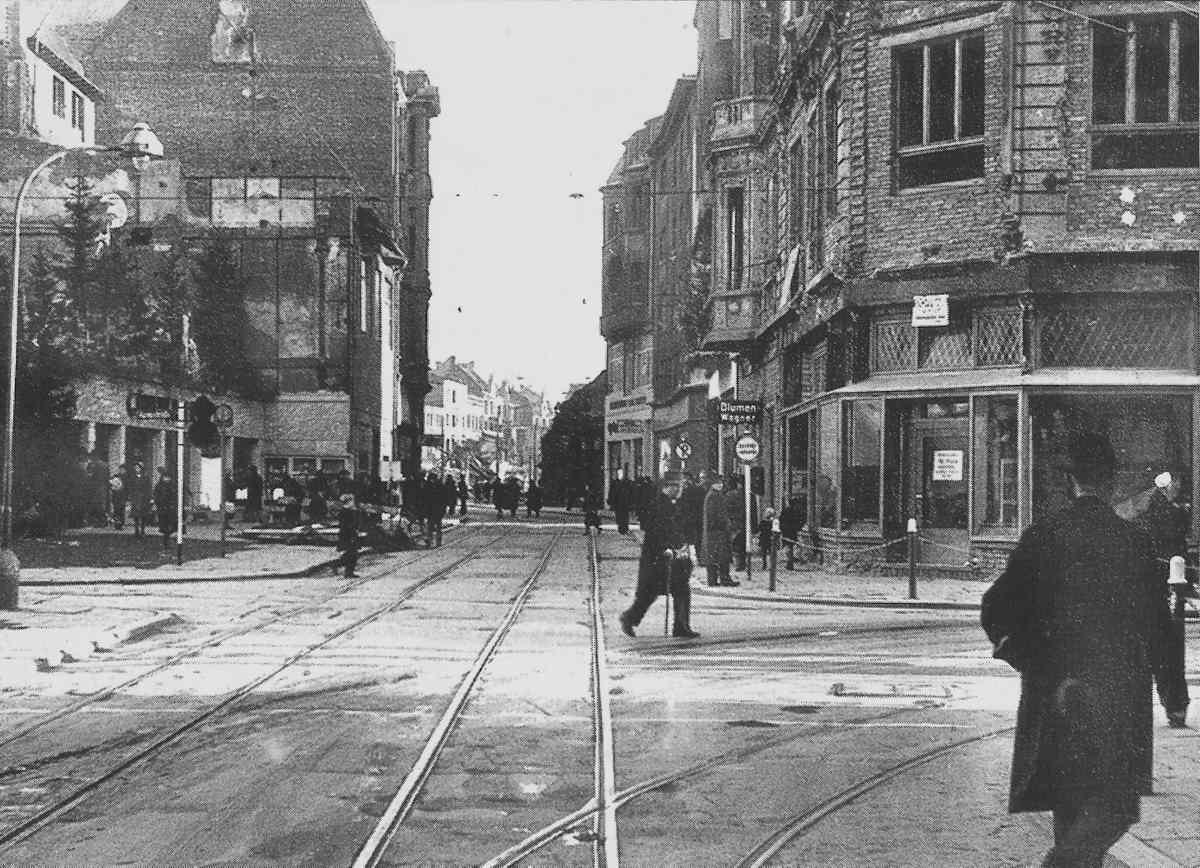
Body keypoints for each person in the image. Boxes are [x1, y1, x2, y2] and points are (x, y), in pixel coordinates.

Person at [981, 431, 1170, 867]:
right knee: (1116, 804)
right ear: (1109, 483)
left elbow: (996, 610)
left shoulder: (1043, 536)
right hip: (1118, 695)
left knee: (1071, 806)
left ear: (1073, 482)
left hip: (1057, 694)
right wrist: (1173, 697)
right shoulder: (1134, 543)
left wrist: (1036, 666)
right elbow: (1160, 629)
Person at [618, 472, 698, 639]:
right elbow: (655, 531)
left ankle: (681, 626)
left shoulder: (672, 504)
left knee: (680, 589)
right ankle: (629, 618)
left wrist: (683, 545)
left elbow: (678, 528)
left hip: (672, 557)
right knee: (650, 592)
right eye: (677, 486)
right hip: (658, 557)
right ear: (669, 487)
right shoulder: (659, 505)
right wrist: (665, 548)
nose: (680, 490)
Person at [1145, 470, 1192, 728]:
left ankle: (1174, 704)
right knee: (1168, 646)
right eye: (1177, 484)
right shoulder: (1165, 511)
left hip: (1164, 581)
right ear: (1166, 487)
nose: (1180, 488)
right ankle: (1175, 705)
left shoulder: (1158, 508)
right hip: (1165, 581)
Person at [702, 475, 737, 587]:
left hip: (714, 531)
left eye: (721, 483)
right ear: (713, 484)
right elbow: (715, 515)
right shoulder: (714, 496)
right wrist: (724, 524)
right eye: (718, 483)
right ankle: (723, 579)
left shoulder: (713, 495)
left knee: (715, 556)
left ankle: (714, 580)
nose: (721, 485)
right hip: (717, 532)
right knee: (721, 556)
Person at [335, 493, 361, 578]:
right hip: (348, 535)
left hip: (350, 534)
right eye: (352, 501)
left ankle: (348, 571)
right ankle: (346, 570)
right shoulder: (345, 512)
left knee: (351, 553)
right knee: (352, 554)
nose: (353, 503)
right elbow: (347, 525)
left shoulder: (350, 511)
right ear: (349, 502)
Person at [152, 467, 177, 549]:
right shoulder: (159, 486)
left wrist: (173, 504)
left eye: (168, 477)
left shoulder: (173, 486)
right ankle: (166, 541)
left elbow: (175, 496)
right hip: (162, 509)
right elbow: (156, 495)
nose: (166, 479)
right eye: (165, 477)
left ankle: (168, 539)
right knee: (164, 526)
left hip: (171, 509)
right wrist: (157, 502)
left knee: (171, 526)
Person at [126, 461, 152, 538]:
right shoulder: (132, 477)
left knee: (143, 515)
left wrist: (150, 497)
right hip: (135, 498)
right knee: (136, 515)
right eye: (135, 467)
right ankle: (136, 530)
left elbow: (149, 488)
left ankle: (143, 530)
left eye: (138, 467)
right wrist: (130, 496)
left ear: (141, 469)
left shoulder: (146, 477)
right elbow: (130, 487)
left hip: (144, 498)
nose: (136, 469)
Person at [779, 496, 804, 570]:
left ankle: (789, 562)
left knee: (788, 546)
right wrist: (798, 527)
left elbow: (781, 520)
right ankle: (790, 563)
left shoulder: (786, 510)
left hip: (787, 531)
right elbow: (801, 520)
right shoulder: (796, 511)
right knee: (791, 546)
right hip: (793, 531)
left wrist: (782, 528)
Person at [425, 470, 447, 547]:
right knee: (435, 526)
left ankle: (433, 541)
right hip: (434, 509)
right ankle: (434, 541)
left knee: (433, 526)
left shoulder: (429, 486)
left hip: (434, 509)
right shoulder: (439, 486)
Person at [608, 469, 633, 534]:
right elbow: (611, 493)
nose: (620, 474)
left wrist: (631, 502)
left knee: (625, 517)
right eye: (619, 473)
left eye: (621, 473)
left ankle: (625, 528)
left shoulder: (627, 482)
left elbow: (630, 492)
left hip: (625, 503)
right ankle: (621, 528)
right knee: (619, 517)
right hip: (618, 503)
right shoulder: (614, 483)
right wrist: (611, 501)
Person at [109, 464, 127, 531]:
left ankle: (121, 524)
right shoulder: (116, 476)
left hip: (123, 496)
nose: (121, 470)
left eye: (123, 469)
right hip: (116, 496)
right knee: (116, 510)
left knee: (121, 511)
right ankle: (117, 524)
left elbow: (128, 487)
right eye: (120, 469)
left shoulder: (127, 477)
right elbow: (111, 484)